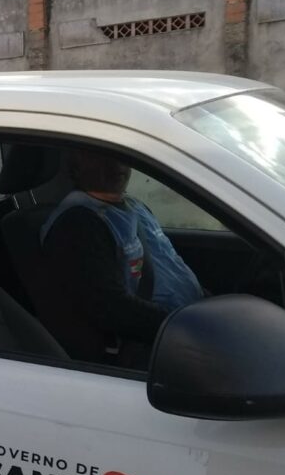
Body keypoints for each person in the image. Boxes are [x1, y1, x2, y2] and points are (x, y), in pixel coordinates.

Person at [40, 149, 203, 364]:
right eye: (101, 156)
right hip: (157, 344)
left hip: (185, 324)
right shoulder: (78, 223)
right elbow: (112, 308)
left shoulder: (135, 206)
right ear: (76, 167)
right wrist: (187, 327)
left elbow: (170, 264)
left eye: (121, 156)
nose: (116, 165)